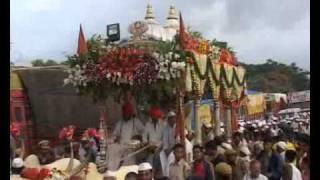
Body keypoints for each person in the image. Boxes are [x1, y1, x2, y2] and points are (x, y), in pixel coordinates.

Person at [143, 106, 166, 178]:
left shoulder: (163, 125)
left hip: (160, 150)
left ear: (158, 117)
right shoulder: (147, 124)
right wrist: (147, 144)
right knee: (148, 166)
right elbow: (144, 137)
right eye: (153, 117)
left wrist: (157, 147)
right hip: (150, 149)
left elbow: (164, 139)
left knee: (161, 166)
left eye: (156, 117)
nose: (154, 118)